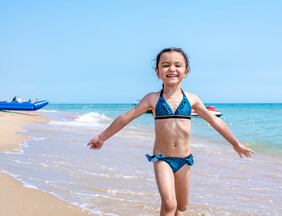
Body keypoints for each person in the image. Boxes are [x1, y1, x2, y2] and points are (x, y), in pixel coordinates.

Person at [87, 48, 254, 216]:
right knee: (169, 203)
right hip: (162, 159)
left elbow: (215, 120)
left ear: (185, 72)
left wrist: (235, 143)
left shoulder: (192, 99)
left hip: (184, 160)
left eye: (177, 65)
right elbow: (126, 117)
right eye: (165, 65)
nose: (172, 69)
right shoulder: (152, 98)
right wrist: (101, 137)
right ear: (157, 72)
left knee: (180, 207)